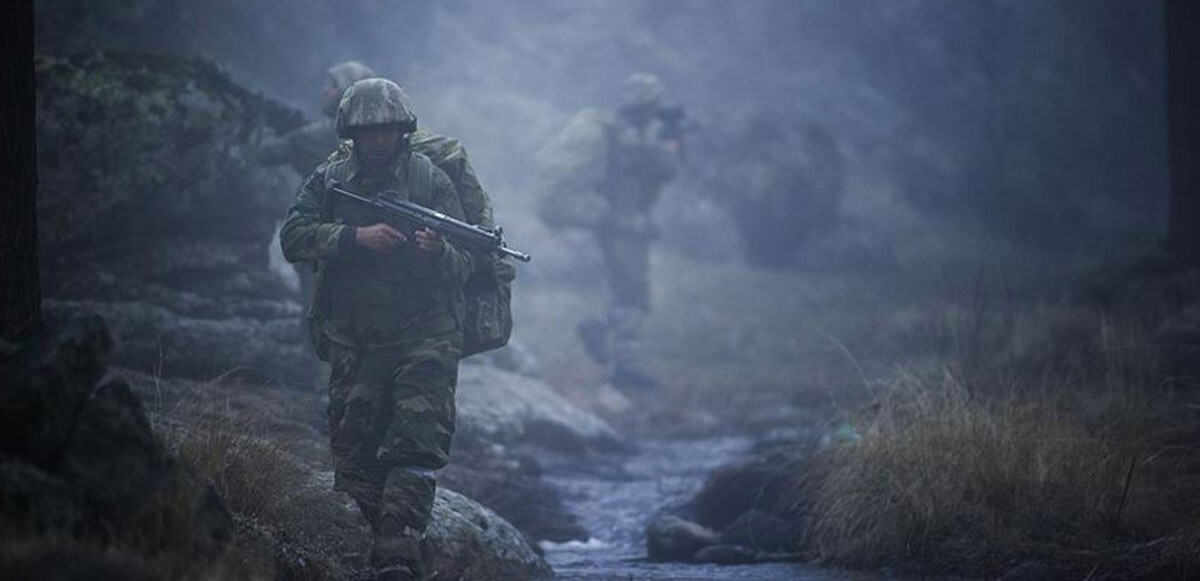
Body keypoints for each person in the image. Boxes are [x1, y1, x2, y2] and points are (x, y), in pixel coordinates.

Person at [279, 78, 486, 581]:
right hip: (356, 337)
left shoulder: (430, 180)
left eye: (388, 129)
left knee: (416, 442)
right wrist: (354, 238)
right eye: (367, 130)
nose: (378, 139)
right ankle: (358, 548)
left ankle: (399, 548)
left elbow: (469, 265)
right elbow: (293, 237)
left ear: (403, 130)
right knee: (353, 455)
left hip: (425, 333)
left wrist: (437, 252)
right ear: (351, 131)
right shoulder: (329, 177)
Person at [536, 72, 683, 390]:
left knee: (624, 292)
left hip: (612, 221)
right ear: (648, 106)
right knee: (632, 294)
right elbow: (666, 170)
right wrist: (673, 141)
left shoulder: (615, 131)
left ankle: (621, 360)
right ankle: (615, 351)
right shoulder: (633, 138)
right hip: (626, 225)